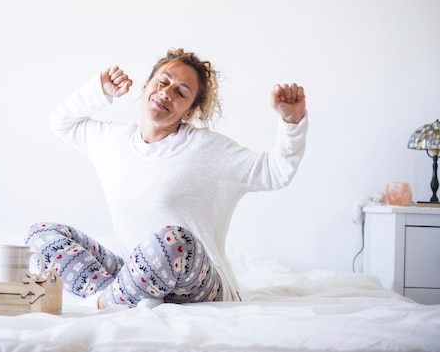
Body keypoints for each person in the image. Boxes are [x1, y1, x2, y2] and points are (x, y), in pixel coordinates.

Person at [25, 48, 308, 309]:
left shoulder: (206, 149)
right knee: (41, 234)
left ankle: (106, 304)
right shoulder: (112, 141)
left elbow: (274, 173)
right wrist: (100, 91)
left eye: (181, 91)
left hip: (197, 279)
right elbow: (60, 121)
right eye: (163, 82)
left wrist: (291, 123)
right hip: (136, 273)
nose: (167, 92)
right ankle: (120, 295)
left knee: (173, 240)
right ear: (146, 85)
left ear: (191, 110)